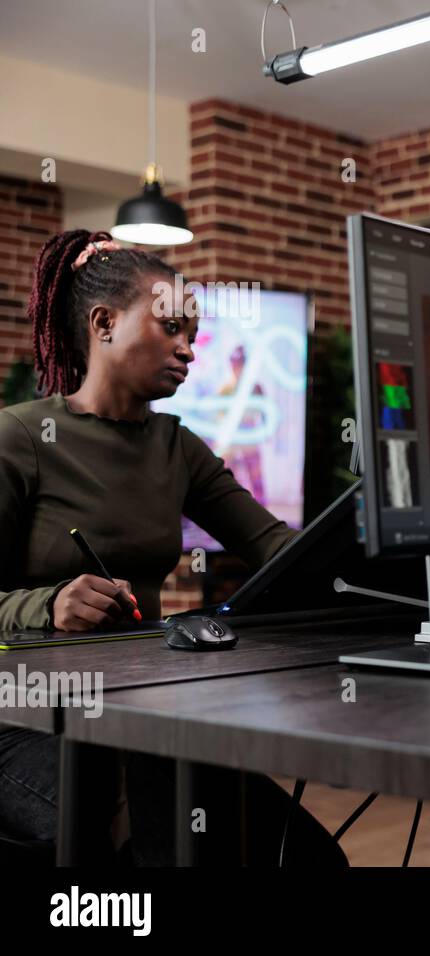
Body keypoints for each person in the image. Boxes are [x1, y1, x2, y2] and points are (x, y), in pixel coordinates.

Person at [0, 230, 345, 866]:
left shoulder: (176, 447)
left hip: (140, 713)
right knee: (132, 832)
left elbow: (280, 550)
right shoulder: (21, 437)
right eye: (172, 328)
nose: (190, 348)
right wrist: (46, 605)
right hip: (23, 714)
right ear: (104, 325)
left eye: (193, 332)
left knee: (305, 857)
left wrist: (375, 569)